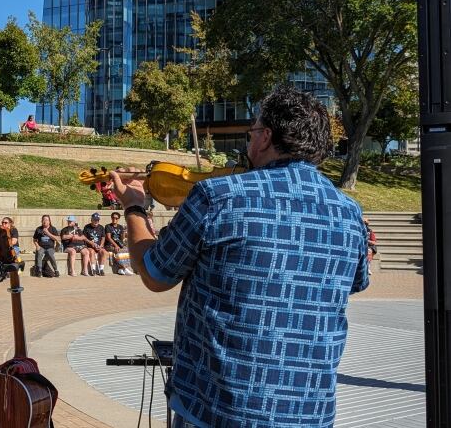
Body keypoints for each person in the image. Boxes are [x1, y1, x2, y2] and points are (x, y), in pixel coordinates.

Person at [110, 86, 369, 427]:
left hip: (219, 409)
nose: (249, 143)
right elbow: (354, 283)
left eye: (252, 133)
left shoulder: (218, 196)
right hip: (310, 411)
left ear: (265, 138)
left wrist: (133, 206)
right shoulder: (349, 213)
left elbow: (155, 273)